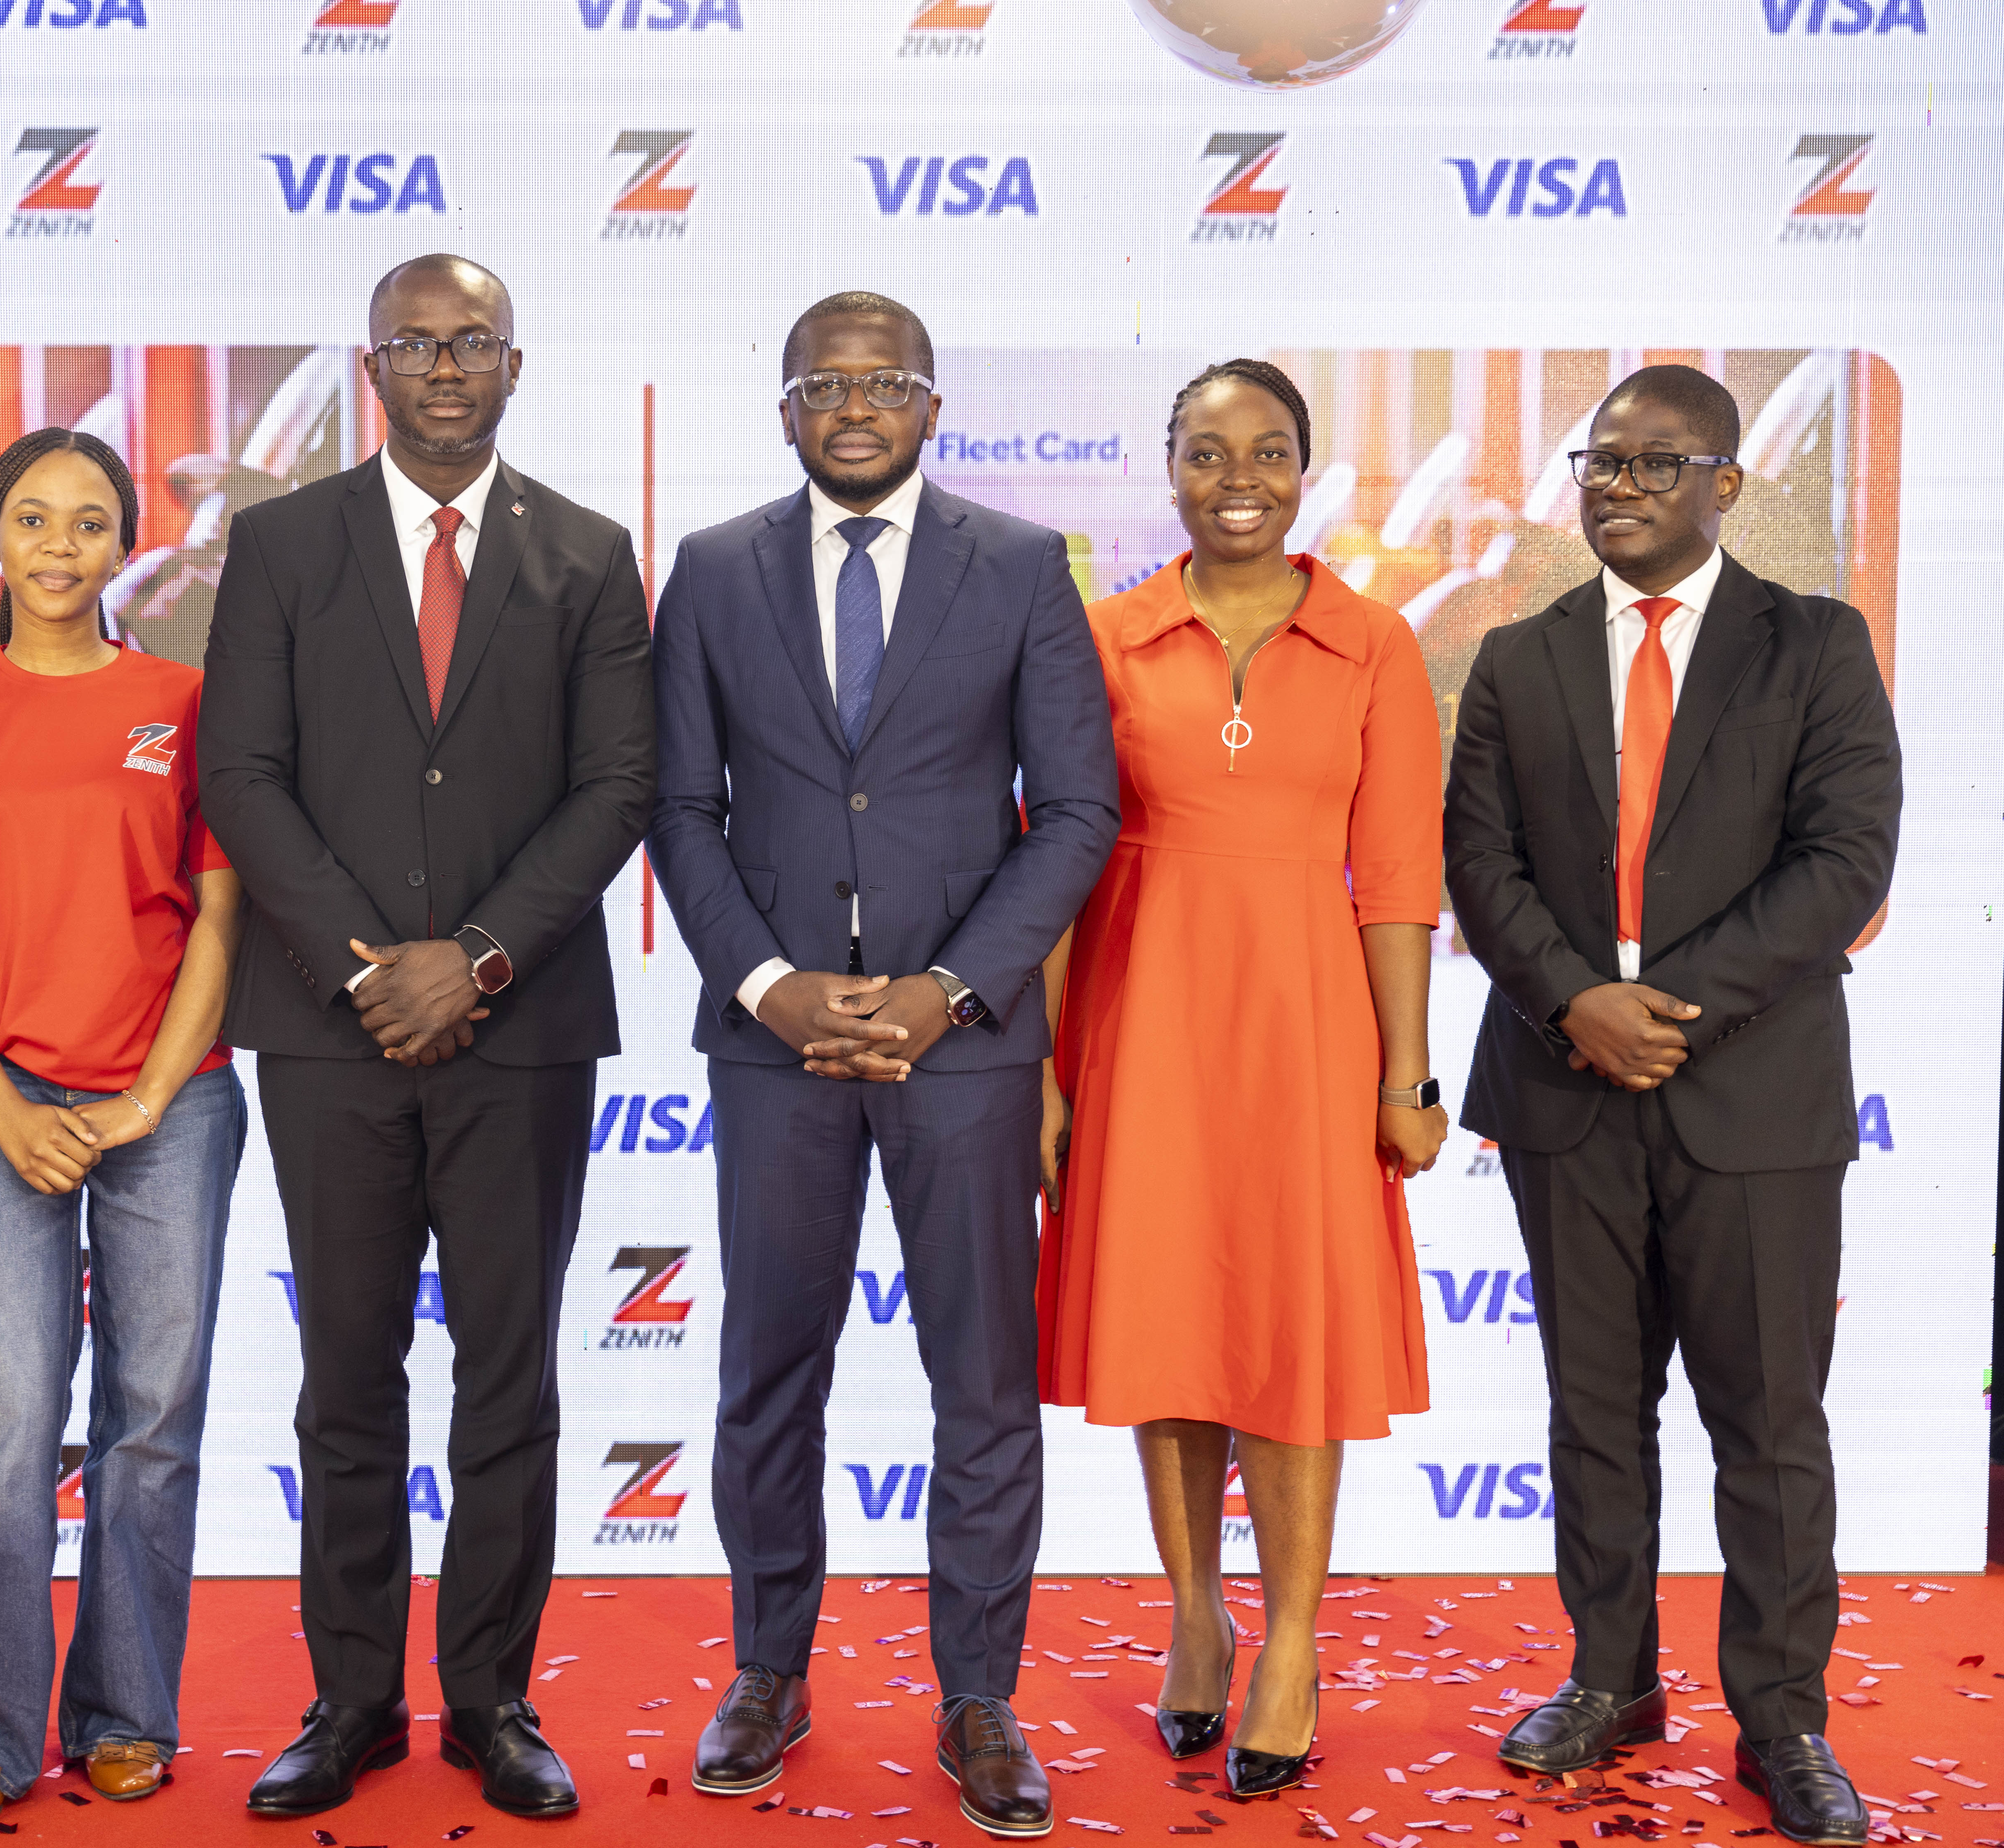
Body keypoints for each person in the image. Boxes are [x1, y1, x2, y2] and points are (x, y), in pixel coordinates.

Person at [647, 291, 1118, 1841]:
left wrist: (953, 992)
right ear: (786, 408)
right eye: (825, 383)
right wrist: (771, 987)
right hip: (772, 1047)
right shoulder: (713, 568)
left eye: (887, 381)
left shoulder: (1024, 566)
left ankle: (980, 1697)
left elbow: (1078, 812)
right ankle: (768, 1671)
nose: (856, 406)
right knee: (769, 1371)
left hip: (964, 1053)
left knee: (980, 1383)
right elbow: (681, 810)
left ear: (932, 404)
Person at [198, 254, 654, 1822]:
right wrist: (367, 971)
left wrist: (474, 962)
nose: (447, 368)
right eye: (417, 343)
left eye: (474, 344)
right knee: (347, 1378)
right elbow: (241, 774)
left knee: (510, 1382)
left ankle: (492, 1700)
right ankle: (350, 1702)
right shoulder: (280, 544)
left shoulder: (589, 554)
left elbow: (618, 785)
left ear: (515, 368)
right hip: (330, 1039)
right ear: (373, 367)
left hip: (520, 1034)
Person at [1445, 366, 1900, 1846]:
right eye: (1602, 462)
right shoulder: (1516, 658)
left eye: (1656, 463)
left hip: (1752, 1095)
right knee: (1594, 1411)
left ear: (1726, 485)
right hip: (1564, 1084)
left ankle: (1783, 1720)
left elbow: (1847, 860)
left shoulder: (1815, 644)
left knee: (1768, 1423)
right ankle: (1612, 1679)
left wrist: (1666, 1008)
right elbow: (1480, 863)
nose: (1621, 486)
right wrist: (1577, 1001)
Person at [1034, 359, 1446, 1798]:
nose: (1239, 479)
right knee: (1171, 1322)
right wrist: (1044, 1070)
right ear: (1169, 470)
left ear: (1305, 470)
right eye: (1208, 453)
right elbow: (1054, 862)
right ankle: (1197, 1615)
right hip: (1139, 1021)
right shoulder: (1103, 637)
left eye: (1268, 452)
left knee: (1291, 1333)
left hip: (1308, 1029)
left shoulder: (1374, 643)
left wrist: (1409, 1076)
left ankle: (1294, 1645)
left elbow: (1399, 877)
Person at [0, 429, 247, 1829]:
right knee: (4, 1422)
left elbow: (221, 916)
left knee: (153, 1420)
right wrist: (5, 1106)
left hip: (175, 1104)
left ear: (125, 547)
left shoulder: (187, 705)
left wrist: (144, 1098)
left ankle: (127, 1714)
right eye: (33, 519)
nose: (59, 546)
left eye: (90, 522)